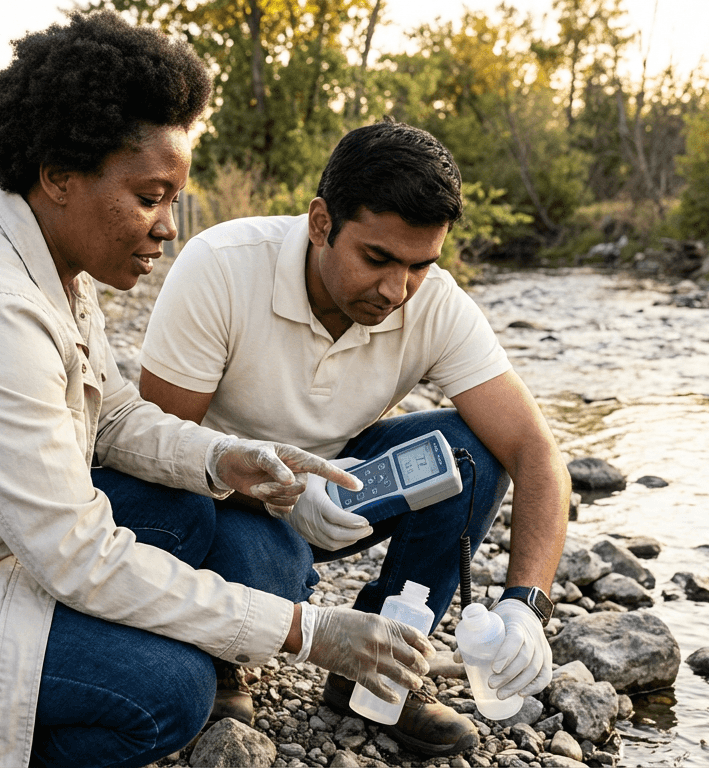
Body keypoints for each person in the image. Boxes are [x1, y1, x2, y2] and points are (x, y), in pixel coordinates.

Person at [0, 15, 439, 768]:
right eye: (150, 197)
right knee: (168, 692)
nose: (167, 228)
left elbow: (107, 414)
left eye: (174, 199)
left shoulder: (40, 256)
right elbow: (77, 556)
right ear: (58, 176)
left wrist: (227, 459)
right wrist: (308, 632)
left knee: (196, 514)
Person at [139, 120, 571, 757]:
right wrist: (276, 493)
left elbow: (536, 454)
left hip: (344, 488)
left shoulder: (434, 304)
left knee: (473, 453)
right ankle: (221, 655)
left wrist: (526, 606)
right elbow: (151, 452)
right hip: (219, 498)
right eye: (377, 259)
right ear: (321, 223)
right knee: (270, 570)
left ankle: (375, 667)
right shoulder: (222, 269)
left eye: (420, 265)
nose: (397, 291)